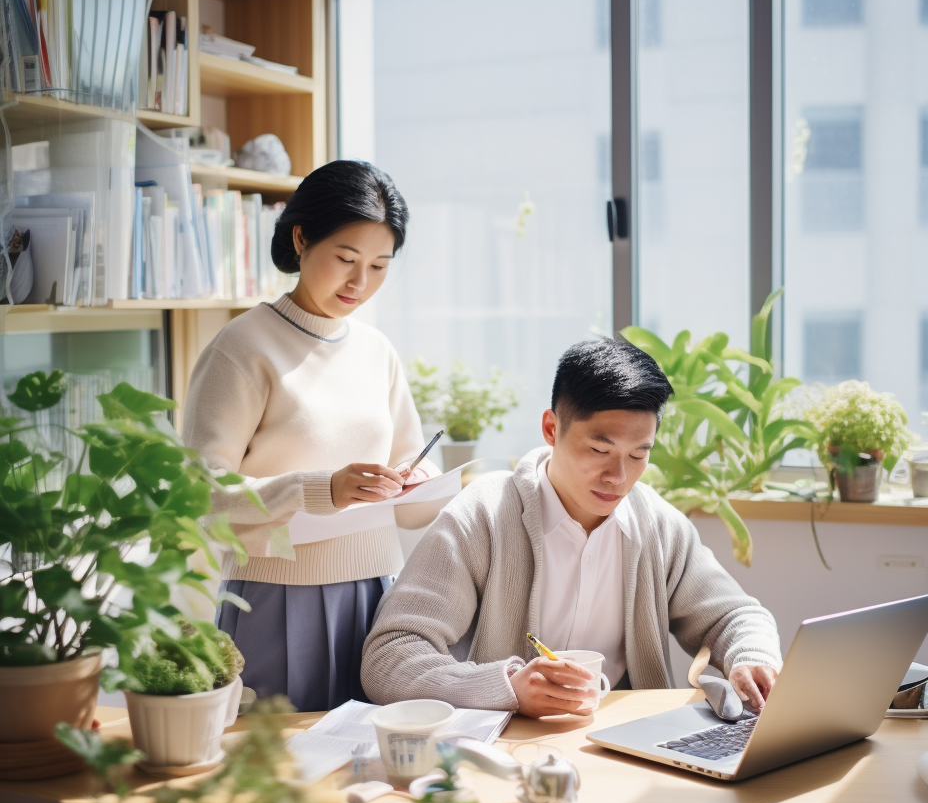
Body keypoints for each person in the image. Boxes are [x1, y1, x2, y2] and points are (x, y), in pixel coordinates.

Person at [361, 335, 781, 714]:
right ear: (551, 428)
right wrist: (505, 687)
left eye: (639, 454)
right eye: (599, 450)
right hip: (508, 749)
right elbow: (389, 656)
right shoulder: (483, 515)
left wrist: (751, 656)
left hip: (628, 742)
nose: (619, 477)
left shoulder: (659, 526)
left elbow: (735, 616)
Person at [183, 160, 438, 712]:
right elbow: (199, 492)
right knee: (278, 755)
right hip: (273, 597)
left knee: (370, 754)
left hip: (376, 594)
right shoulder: (243, 346)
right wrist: (320, 489)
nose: (360, 283)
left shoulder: (377, 351)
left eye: (379, 266)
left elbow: (416, 500)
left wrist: (420, 479)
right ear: (301, 240)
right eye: (346, 259)